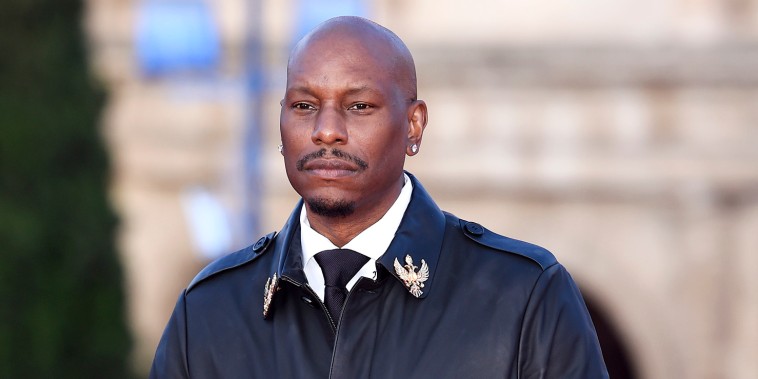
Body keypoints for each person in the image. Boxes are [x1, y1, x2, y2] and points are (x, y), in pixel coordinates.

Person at [150, 16, 609, 378]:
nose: (326, 129)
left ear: (414, 126)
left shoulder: (523, 297)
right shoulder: (209, 311)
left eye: (358, 106)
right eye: (304, 105)